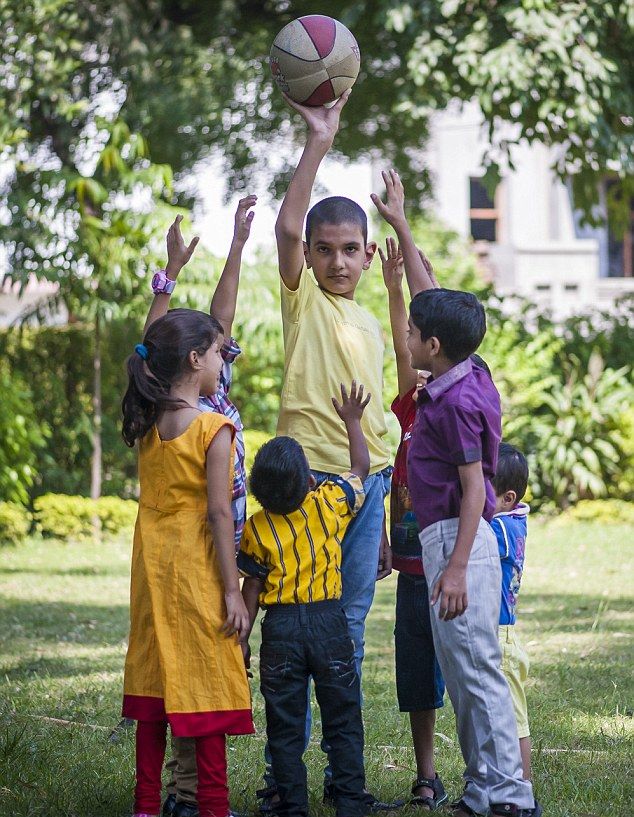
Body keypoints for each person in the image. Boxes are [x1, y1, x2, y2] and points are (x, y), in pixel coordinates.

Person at [263, 90, 394, 812]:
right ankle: (286, 779)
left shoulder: (370, 324)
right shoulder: (303, 301)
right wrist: (319, 139)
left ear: (368, 255)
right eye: (326, 250)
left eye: (351, 249)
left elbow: (383, 431)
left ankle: (347, 777)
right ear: (309, 258)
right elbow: (286, 223)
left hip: (365, 488)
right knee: (294, 628)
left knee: (346, 629)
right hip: (308, 484)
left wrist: (383, 502)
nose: (338, 260)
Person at [405, 286, 541, 817]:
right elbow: (431, 294)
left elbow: (476, 490)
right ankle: (483, 789)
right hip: (448, 539)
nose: (408, 338)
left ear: (433, 344)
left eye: (414, 333)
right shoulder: (467, 372)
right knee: (461, 672)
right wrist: (401, 227)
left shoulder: (458, 402)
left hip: (457, 540)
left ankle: (510, 796)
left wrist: (456, 568)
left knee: (479, 671)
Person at [141, 199, 256, 817]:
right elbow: (151, 348)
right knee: (201, 671)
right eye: (215, 349)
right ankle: (195, 797)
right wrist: (168, 278)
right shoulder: (201, 413)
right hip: (210, 559)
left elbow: (214, 318)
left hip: (213, 554)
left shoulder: (199, 393)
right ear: (197, 359)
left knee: (205, 667)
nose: (222, 352)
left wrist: (236, 245)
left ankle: (185, 793)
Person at [239, 381, 372, 817]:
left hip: (280, 632)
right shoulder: (328, 504)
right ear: (311, 480)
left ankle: (291, 806)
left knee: (285, 727)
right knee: (343, 721)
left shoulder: (256, 528)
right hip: (329, 625)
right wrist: (352, 420)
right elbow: (361, 469)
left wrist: (241, 640)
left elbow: (253, 590)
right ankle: (351, 804)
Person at [377, 233, 447, 811]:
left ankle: (488, 769)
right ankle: (426, 775)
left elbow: (431, 320)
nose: (416, 362)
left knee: (470, 669)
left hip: (456, 563)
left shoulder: (462, 397)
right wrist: (393, 288)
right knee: (417, 673)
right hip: (413, 569)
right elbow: (405, 343)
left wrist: (405, 236)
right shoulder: (409, 407)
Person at [491, 443, 533, 782]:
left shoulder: (502, 529)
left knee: (515, 720)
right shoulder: (514, 520)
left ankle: (523, 786)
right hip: (499, 633)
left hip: (501, 639)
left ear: (507, 498)